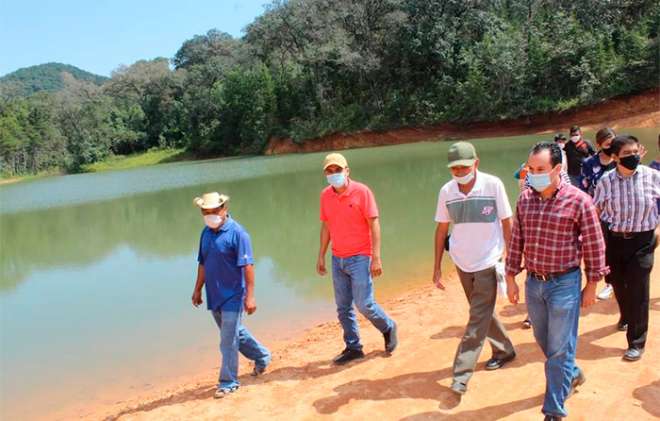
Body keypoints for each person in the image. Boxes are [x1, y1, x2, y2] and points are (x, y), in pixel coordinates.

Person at [506, 142, 608, 421]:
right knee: (545, 340)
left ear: (557, 169)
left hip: (565, 283)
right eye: (531, 169)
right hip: (534, 283)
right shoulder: (525, 199)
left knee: (560, 347)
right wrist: (511, 276)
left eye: (540, 169)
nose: (533, 174)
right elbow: (517, 240)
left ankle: (553, 409)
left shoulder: (579, 201)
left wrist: (592, 284)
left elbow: (594, 244)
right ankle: (572, 373)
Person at [433, 141, 517, 396]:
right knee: (481, 312)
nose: (459, 172)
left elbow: (506, 222)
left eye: (464, 167)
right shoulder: (447, 191)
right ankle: (504, 350)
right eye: (454, 168)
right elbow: (441, 229)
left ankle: (461, 374)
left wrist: (510, 259)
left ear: (476, 163)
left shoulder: (493, 185)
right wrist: (436, 266)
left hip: (488, 261)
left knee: (476, 318)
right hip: (461, 261)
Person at [316, 153, 398, 365]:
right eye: (330, 171)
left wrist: (376, 257)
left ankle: (388, 327)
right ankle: (353, 347)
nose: (334, 174)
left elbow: (374, 224)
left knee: (364, 304)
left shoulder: (362, 192)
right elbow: (326, 226)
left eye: (338, 170)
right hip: (338, 258)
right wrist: (321, 255)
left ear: (347, 171)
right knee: (343, 307)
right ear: (325, 174)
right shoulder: (325, 195)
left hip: (360, 257)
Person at [191, 192, 271, 398]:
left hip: (234, 295)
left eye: (214, 211)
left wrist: (250, 296)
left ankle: (228, 382)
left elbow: (248, 266)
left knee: (227, 340)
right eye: (205, 212)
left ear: (224, 209)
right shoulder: (205, 233)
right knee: (236, 333)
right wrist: (197, 288)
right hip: (214, 294)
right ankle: (262, 356)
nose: (210, 215)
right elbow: (202, 263)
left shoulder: (238, 233)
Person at [593, 135, 660, 362]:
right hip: (615, 241)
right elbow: (595, 212)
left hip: (643, 241)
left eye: (634, 152)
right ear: (614, 158)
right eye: (626, 154)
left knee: (639, 290)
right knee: (618, 285)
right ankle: (625, 314)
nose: (632, 157)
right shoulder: (605, 182)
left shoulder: (653, 177)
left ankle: (636, 341)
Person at [578, 127, 618, 301]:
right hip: (596, 214)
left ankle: (614, 283)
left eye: (614, 143)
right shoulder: (589, 163)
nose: (612, 147)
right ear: (599, 144)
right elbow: (584, 187)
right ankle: (603, 283)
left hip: (618, 213)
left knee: (617, 248)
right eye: (608, 144)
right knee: (600, 248)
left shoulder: (620, 160)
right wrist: (591, 208)